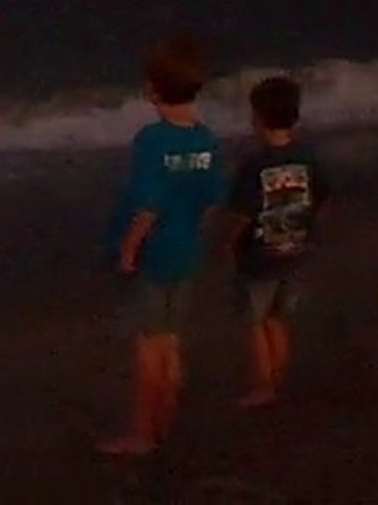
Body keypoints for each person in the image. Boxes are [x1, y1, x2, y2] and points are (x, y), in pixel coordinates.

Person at [98, 33, 226, 455]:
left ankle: (142, 433)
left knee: (147, 344)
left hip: (154, 255)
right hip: (188, 249)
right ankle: (165, 417)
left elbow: (148, 205)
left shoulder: (152, 140)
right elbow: (211, 201)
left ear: (152, 89)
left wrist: (128, 249)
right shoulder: (206, 139)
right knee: (171, 339)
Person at [225, 76, 330, 407]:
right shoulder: (307, 158)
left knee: (256, 323)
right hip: (294, 250)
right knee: (278, 319)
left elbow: (244, 213)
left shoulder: (255, 164)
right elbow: (323, 198)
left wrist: (228, 244)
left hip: (258, 256)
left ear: (257, 117)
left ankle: (265, 385)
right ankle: (279, 378)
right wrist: (308, 227)